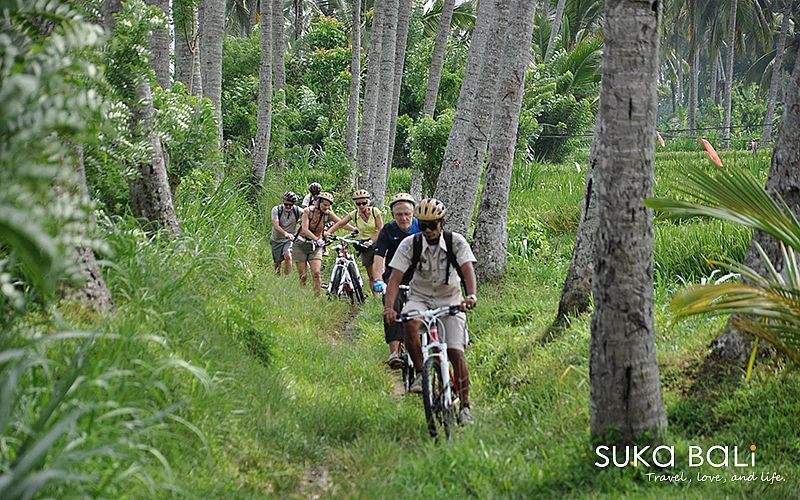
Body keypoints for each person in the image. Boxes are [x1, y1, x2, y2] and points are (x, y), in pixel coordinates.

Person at [383, 198, 478, 424]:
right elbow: (395, 278)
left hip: (451, 298)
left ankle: (465, 406)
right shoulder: (410, 244)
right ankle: (419, 372)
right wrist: (389, 307)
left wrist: (471, 296)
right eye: (423, 225)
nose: (427, 230)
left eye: (432, 225)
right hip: (420, 297)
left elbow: (467, 270)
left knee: (456, 352)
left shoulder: (456, 242)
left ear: (442, 223)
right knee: (410, 322)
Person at [373, 193, 420, 368]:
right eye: (399, 214)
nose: (404, 218)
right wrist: (378, 279)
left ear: (413, 213)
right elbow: (379, 255)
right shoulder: (388, 230)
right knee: (391, 308)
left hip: (419, 279)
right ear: (393, 215)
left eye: (407, 213)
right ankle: (394, 352)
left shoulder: (422, 227)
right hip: (394, 278)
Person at [292, 192, 354, 295]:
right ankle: (302, 293)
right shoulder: (307, 211)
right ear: (318, 202)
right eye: (324, 204)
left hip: (316, 247)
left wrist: (353, 229)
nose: (327, 207)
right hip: (301, 244)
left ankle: (317, 296)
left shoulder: (328, 214)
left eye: (329, 205)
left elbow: (341, 223)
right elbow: (305, 229)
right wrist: (316, 239)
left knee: (316, 273)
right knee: (303, 275)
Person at [325, 189, 384, 295]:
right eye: (358, 203)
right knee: (370, 275)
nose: (361, 206)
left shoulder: (375, 212)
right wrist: (328, 233)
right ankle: (376, 298)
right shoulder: (354, 214)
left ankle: (384, 294)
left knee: (379, 273)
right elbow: (340, 223)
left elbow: (381, 229)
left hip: (377, 242)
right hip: (364, 245)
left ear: (368, 202)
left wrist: (371, 241)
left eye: (364, 203)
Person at [270, 191, 300, 275]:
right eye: (286, 204)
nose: (288, 206)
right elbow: (275, 224)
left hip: (289, 240)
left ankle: (287, 277)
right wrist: (285, 233)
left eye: (290, 205)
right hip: (276, 239)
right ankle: (277, 277)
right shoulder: (276, 210)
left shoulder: (297, 210)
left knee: (288, 255)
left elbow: (307, 215)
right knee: (277, 262)